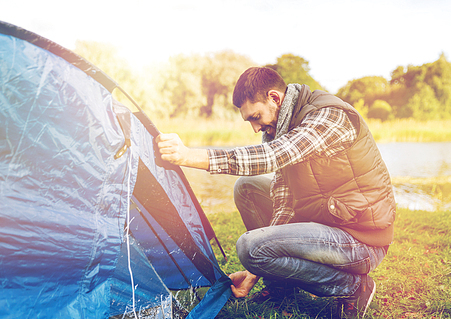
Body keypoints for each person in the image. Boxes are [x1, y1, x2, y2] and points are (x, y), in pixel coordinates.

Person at [155, 67, 395, 318]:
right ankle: (280, 284)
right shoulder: (279, 128)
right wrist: (255, 271)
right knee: (247, 188)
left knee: (249, 246)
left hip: (361, 239)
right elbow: (284, 202)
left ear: (275, 98)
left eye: (255, 117)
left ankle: (354, 288)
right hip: (327, 223)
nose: (255, 128)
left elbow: (273, 156)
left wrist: (189, 156)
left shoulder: (329, 116)